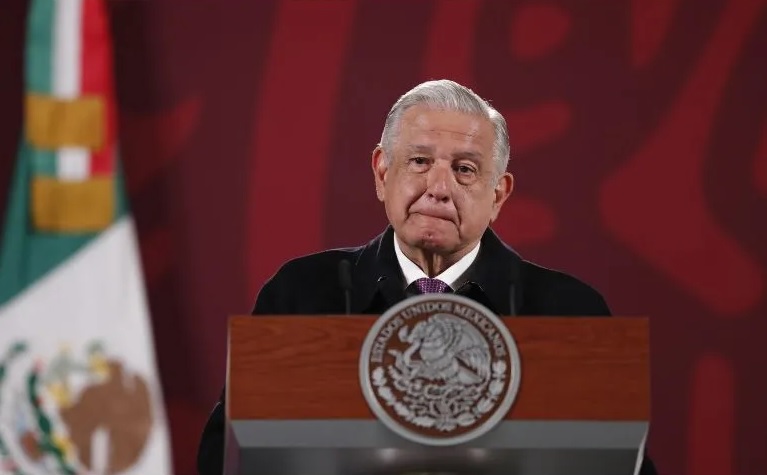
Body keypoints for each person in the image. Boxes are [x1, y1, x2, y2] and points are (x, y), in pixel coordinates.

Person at [196, 79, 657, 475]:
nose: (438, 188)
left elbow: (619, 465)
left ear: (498, 195)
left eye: (464, 169)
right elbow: (227, 455)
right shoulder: (302, 295)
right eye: (419, 162)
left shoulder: (569, 313)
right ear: (382, 172)